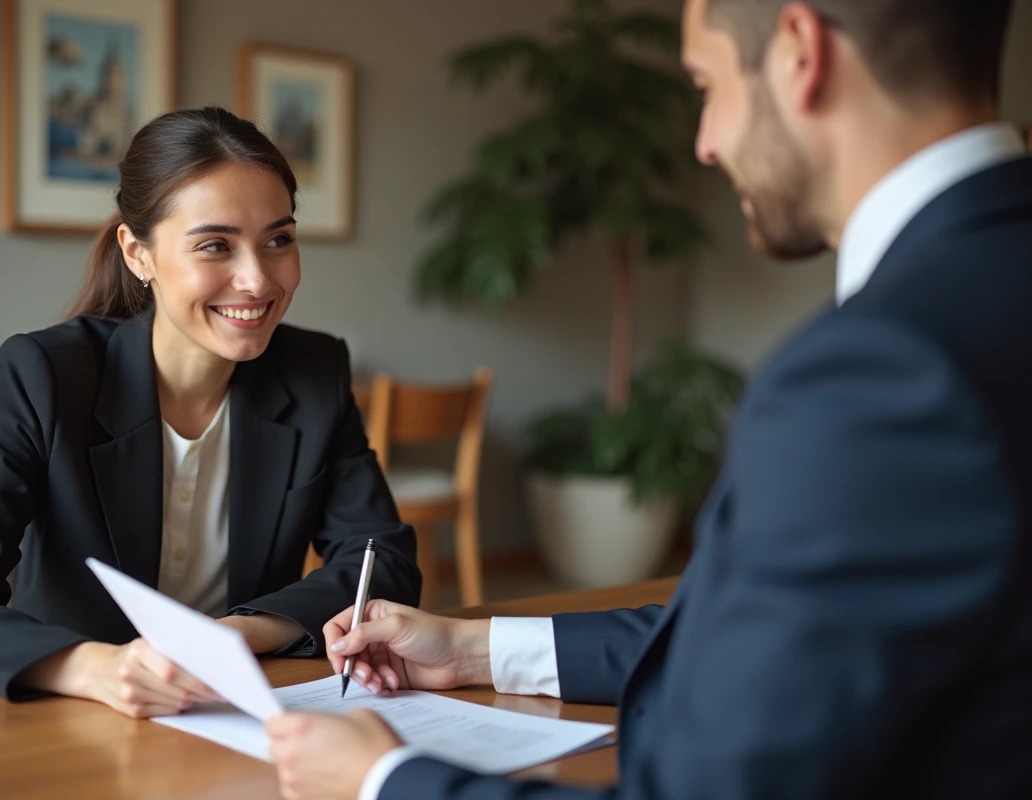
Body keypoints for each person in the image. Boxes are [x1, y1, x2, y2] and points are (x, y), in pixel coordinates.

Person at [264, 0, 1032, 797]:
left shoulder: (881, 370)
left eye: (704, 84)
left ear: (801, 52)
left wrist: (381, 779)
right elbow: (780, 642)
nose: (704, 144)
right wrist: (472, 650)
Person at [0, 107, 421, 717]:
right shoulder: (46, 375)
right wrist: (97, 667)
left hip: (237, 715)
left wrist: (238, 633)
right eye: (215, 245)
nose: (256, 279)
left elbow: (383, 564)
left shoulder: (314, 373)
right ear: (137, 253)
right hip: (71, 720)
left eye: (278, 239)